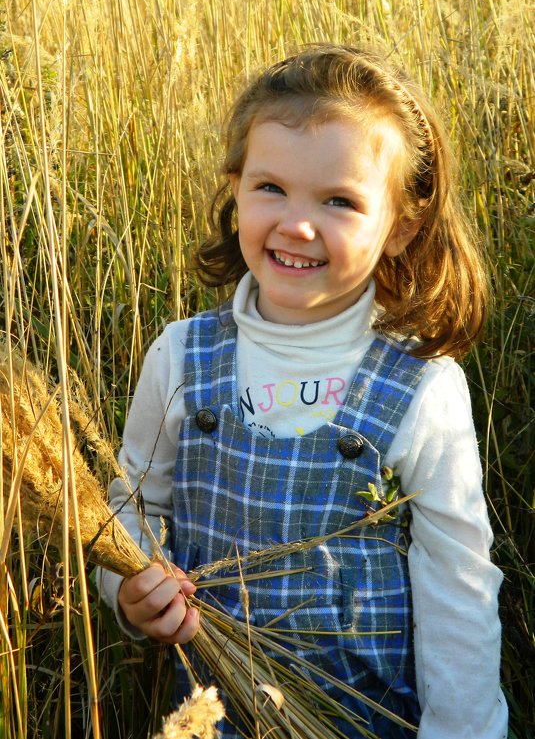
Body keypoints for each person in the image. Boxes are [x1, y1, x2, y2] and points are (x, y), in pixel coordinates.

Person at [99, 45, 508, 738]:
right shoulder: (181, 356)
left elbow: (458, 591)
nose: (296, 223)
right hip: (209, 718)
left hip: (362, 722)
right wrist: (130, 591)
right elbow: (129, 507)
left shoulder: (419, 388)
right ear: (235, 185)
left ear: (401, 226)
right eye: (270, 188)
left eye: (339, 201)